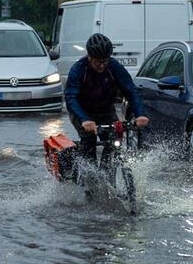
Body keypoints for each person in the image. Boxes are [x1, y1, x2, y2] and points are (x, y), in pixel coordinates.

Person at [64, 33, 150, 166]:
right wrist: (84, 119)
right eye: (98, 62)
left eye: (105, 61)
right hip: (82, 111)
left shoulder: (115, 67)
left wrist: (140, 114)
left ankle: (107, 173)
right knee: (89, 141)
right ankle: (87, 176)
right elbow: (71, 98)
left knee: (114, 141)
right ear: (89, 57)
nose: (102, 65)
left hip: (105, 110)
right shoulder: (79, 69)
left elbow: (131, 91)